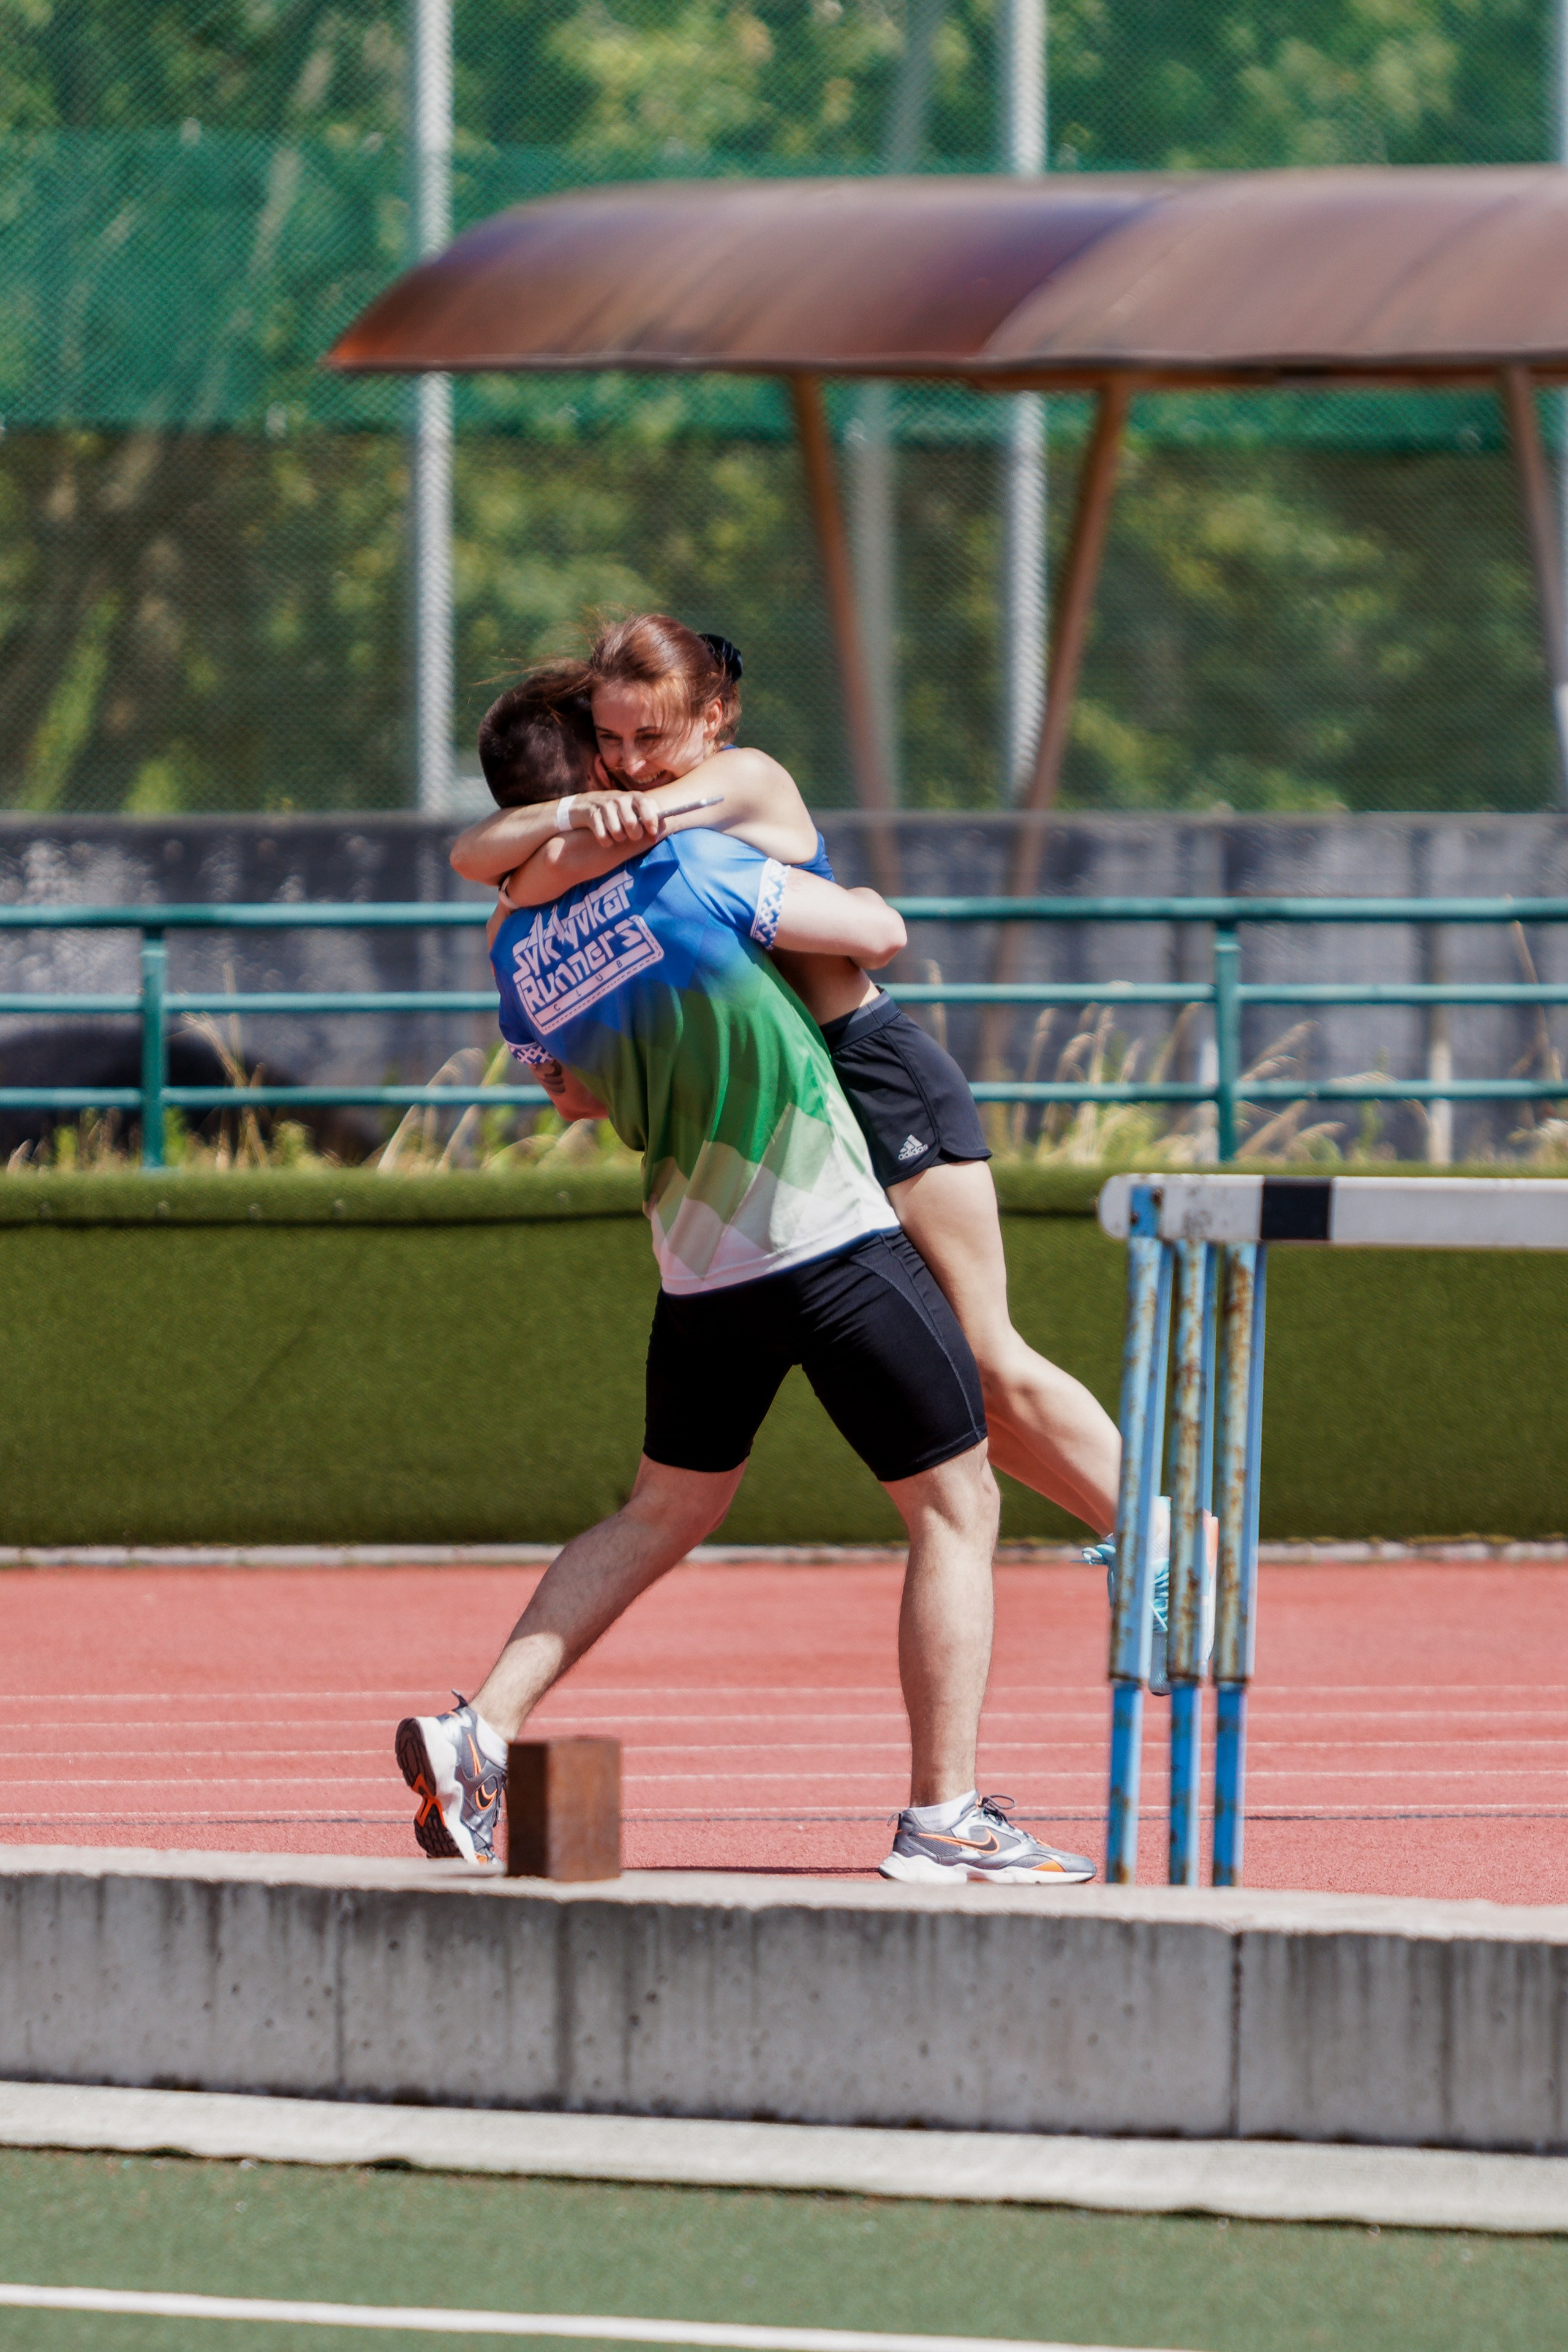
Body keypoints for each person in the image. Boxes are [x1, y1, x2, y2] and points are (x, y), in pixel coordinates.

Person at [399, 670, 1097, 1887]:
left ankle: (481, 1730)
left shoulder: (513, 948)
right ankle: (943, 1817)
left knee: (662, 1510)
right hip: (824, 1234)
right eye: (614, 753)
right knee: (955, 1506)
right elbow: (874, 936)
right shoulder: (690, 872)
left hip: (696, 1265)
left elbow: (569, 1090)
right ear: (596, 784)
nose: (637, 765)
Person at [451, 619, 1123, 1540]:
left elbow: (508, 870)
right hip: (809, 1094)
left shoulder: (740, 778)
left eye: (650, 737)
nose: (631, 762)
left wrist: (538, 851)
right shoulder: (622, 815)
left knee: (991, 1359)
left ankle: (1176, 1546)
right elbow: (487, 861)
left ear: (714, 717)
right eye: (610, 742)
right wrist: (555, 824)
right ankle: (1140, 1540)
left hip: (872, 1066)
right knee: (954, 1378)